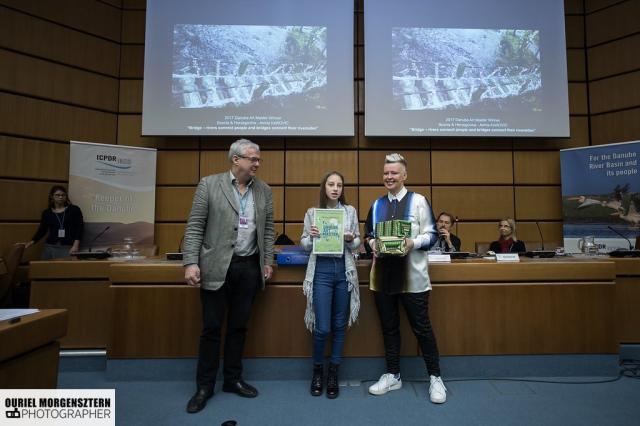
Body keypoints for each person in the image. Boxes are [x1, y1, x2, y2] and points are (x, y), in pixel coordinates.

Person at [183, 139, 275, 414]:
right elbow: (195, 226)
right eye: (252, 159)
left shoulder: (264, 190)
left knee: (239, 327)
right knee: (211, 329)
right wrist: (190, 262)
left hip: (248, 268)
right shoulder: (209, 185)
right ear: (235, 160)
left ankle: (233, 380)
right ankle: (204, 386)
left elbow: (268, 229)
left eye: (258, 159)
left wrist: (267, 260)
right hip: (216, 267)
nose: (257, 163)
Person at [364, 153, 447, 404]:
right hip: (382, 278)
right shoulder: (377, 205)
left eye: (394, 173)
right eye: (386, 173)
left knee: (422, 329)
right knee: (389, 329)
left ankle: (435, 377)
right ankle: (393, 375)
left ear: (404, 175)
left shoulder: (419, 201)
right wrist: (371, 244)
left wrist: (412, 242)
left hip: (413, 279)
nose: (389, 177)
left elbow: (432, 235)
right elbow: (367, 235)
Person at [300, 171, 361, 399]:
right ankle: (318, 371)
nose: (335, 188)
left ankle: (333, 372)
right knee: (322, 327)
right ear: (324, 187)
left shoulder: (350, 211)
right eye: (331, 184)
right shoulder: (312, 213)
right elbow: (304, 243)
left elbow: (356, 243)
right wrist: (313, 236)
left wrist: (350, 239)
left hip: (344, 271)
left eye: (339, 185)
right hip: (321, 272)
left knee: (339, 325)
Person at [24, 185, 83, 259]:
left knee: (67, 270)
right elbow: (42, 230)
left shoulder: (74, 210)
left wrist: (75, 245)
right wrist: (31, 242)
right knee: (47, 270)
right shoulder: (47, 213)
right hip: (50, 247)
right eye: (57, 195)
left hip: (68, 247)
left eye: (63, 195)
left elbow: (79, 228)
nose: (60, 197)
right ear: (52, 196)